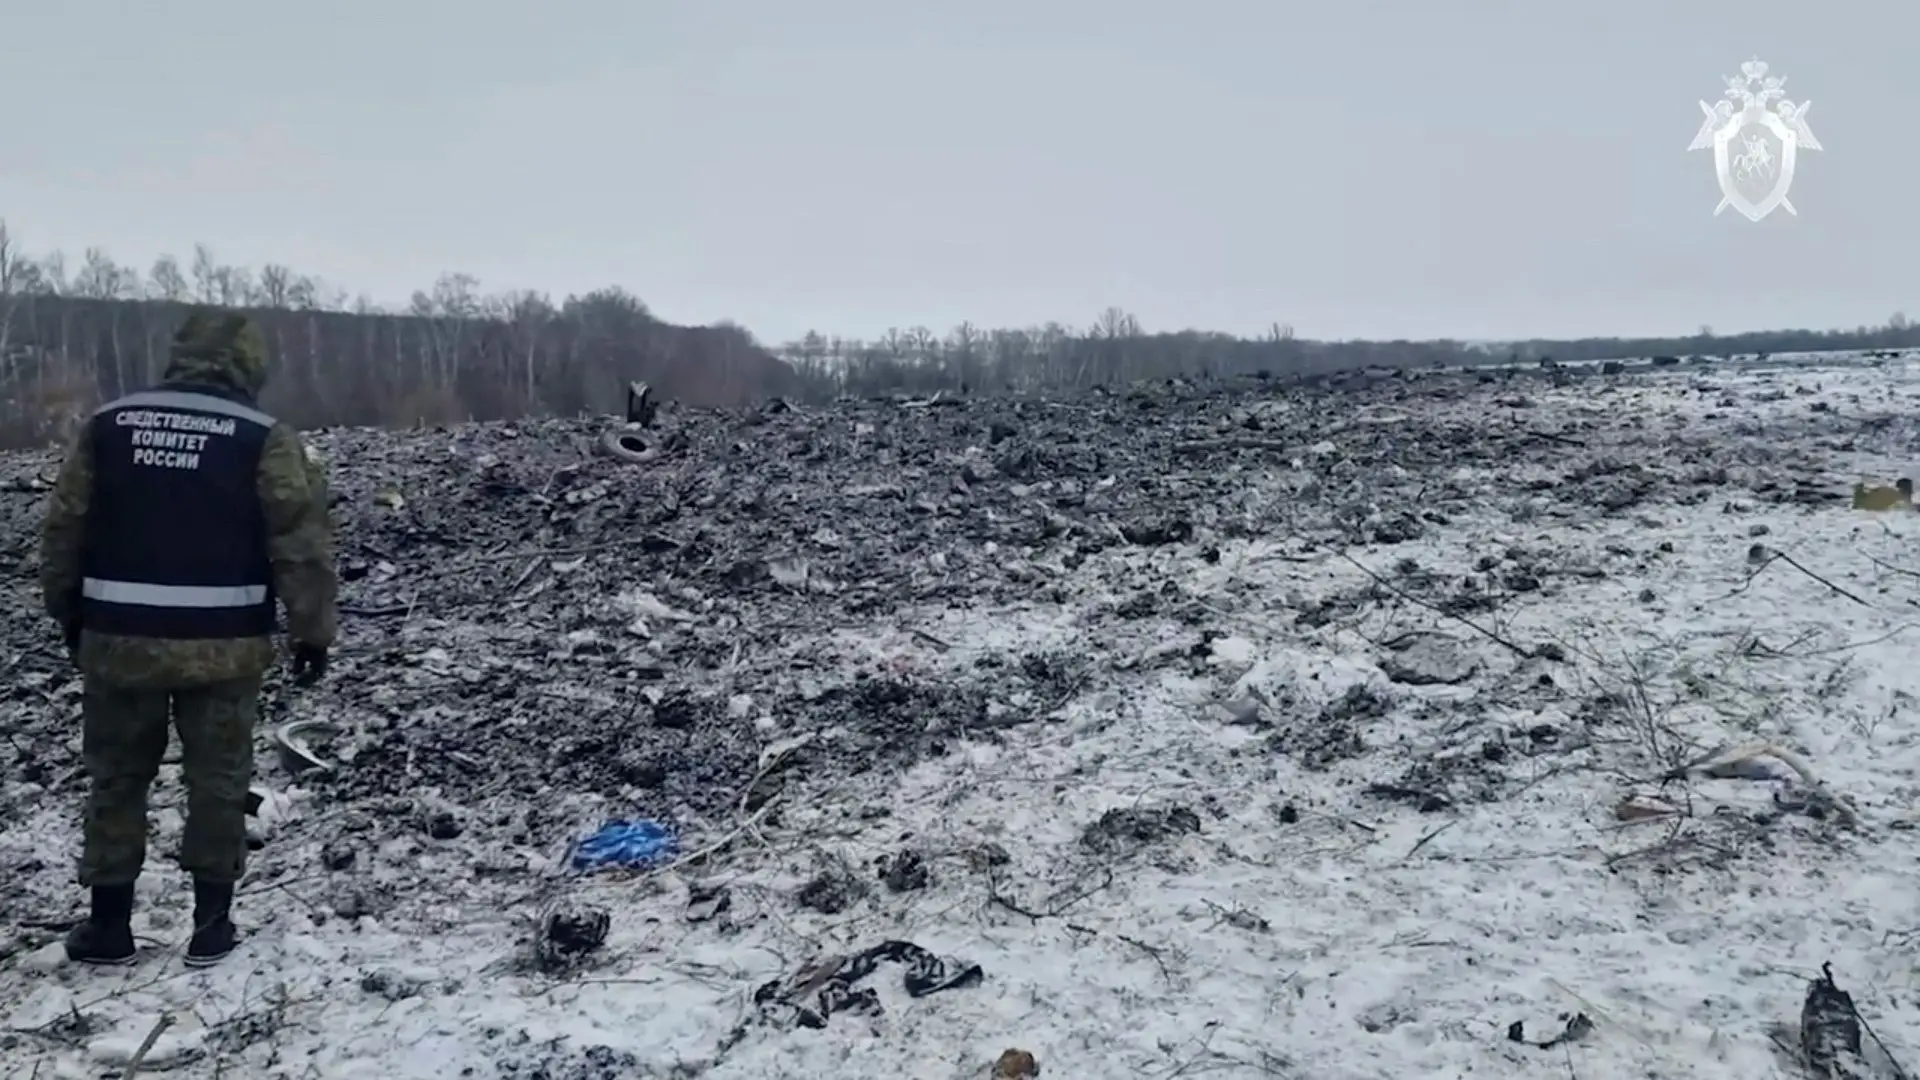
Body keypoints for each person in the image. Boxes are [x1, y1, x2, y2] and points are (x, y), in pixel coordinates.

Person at [38, 311, 338, 967]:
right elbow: (300, 542)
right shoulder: (262, 437)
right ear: (248, 364)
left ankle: (109, 928)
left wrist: (66, 611)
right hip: (225, 648)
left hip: (119, 641)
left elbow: (64, 529)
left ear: (181, 358)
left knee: (117, 779)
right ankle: (212, 929)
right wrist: (311, 631)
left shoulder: (109, 426)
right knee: (220, 781)